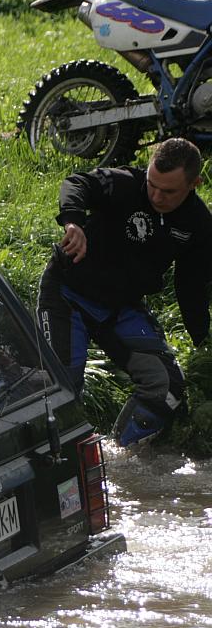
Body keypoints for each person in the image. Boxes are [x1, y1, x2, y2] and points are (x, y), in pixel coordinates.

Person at [37, 138, 212, 448]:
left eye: (168, 191)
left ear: (194, 183)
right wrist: (73, 223)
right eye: (152, 184)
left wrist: (203, 341)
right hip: (68, 295)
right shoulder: (125, 184)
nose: (156, 195)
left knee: (167, 387)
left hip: (119, 309)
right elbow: (77, 183)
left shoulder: (198, 223)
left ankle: (120, 460)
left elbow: (192, 286)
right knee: (61, 389)